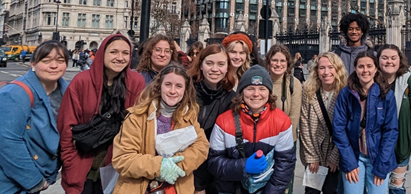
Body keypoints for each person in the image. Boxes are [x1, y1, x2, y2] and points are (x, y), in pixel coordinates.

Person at [58, 32, 146, 194]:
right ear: (102, 53)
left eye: (125, 53)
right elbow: (66, 127)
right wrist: (70, 164)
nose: (120, 57)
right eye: (114, 52)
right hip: (84, 165)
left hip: (118, 167)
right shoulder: (82, 81)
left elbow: (139, 125)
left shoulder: (135, 81)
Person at [112, 64, 210, 194]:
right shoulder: (137, 117)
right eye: (168, 84)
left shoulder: (189, 117)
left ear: (185, 90)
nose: (172, 91)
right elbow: (123, 158)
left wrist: (177, 165)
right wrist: (160, 166)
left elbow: (201, 147)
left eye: (179, 86)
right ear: (159, 86)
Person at [0, 41, 69, 194]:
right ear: (33, 64)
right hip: (3, 183)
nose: (54, 66)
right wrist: (34, 181)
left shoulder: (67, 93)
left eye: (60, 61)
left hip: (33, 179)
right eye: (46, 61)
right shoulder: (13, 93)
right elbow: (4, 142)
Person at [208, 65, 297, 194]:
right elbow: (213, 163)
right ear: (242, 92)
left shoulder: (282, 121)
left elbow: (285, 165)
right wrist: (243, 167)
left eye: (262, 88)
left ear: (269, 92)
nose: (256, 94)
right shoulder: (224, 122)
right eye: (250, 89)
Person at [333, 50, 399, 194]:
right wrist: (349, 162)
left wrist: (382, 165)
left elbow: (391, 131)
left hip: (378, 157)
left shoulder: (386, 94)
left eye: (369, 66)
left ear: (376, 69)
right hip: (354, 156)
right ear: (355, 69)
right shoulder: (346, 94)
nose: (365, 70)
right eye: (361, 66)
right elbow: (339, 129)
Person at [377, 44, 411, 194]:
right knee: (376, 186)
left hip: (400, 145)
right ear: (378, 60)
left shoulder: (409, 81)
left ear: (400, 60)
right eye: (384, 58)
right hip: (376, 145)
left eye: (393, 58)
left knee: (396, 186)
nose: (389, 62)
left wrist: (408, 139)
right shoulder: (372, 81)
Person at [188, 43, 236, 194]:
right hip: (187, 169)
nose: (215, 69)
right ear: (201, 65)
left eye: (221, 64)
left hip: (216, 174)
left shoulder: (231, 99)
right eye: (209, 63)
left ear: (227, 67)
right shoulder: (187, 92)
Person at [299, 52, 348, 194]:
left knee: (331, 190)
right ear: (316, 71)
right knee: (311, 191)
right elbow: (304, 126)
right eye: (322, 68)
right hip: (314, 151)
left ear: (337, 69)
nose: (326, 72)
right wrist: (312, 157)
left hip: (335, 151)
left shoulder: (344, 93)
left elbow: (346, 129)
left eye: (330, 67)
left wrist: (335, 157)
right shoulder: (308, 91)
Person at [265, 44, 303, 193]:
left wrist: (281, 141)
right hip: (262, 141)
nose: (278, 64)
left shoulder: (294, 84)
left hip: (286, 143)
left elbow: (293, 118)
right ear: (268, 62)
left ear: (288, 63)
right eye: (275, 60)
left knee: (283, 184)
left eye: (282, 61)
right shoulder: (262, 81)